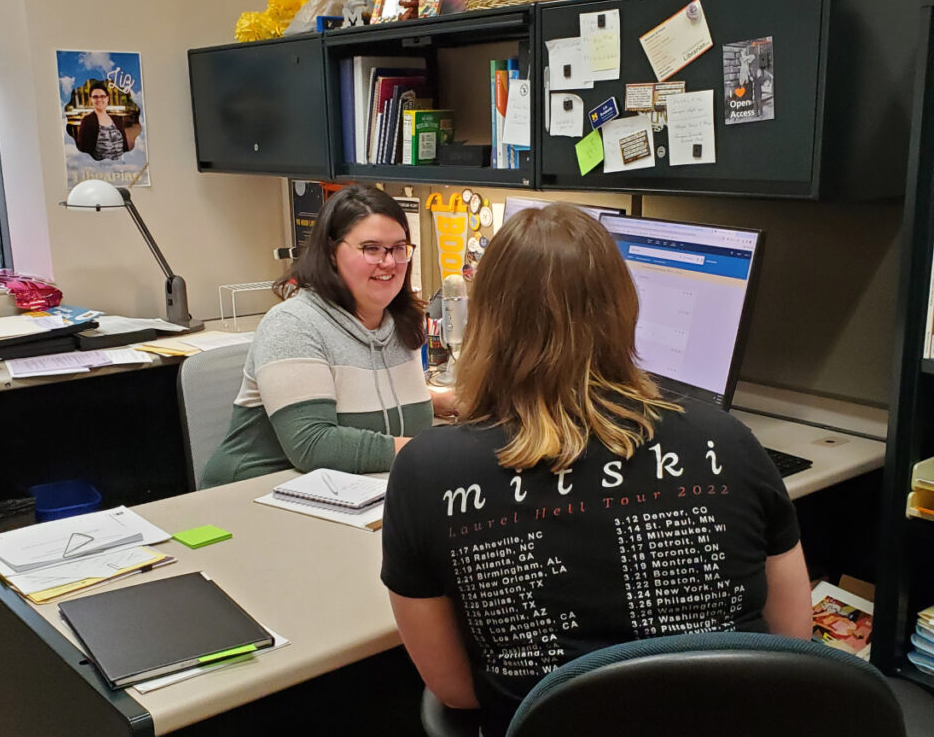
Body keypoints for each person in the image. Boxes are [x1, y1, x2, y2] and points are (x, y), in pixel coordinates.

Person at [381, 203, 813, 737]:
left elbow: (457, 692)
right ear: (625, 307)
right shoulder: (731, 442)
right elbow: (791, 642)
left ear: (487, 320)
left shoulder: (426, 471)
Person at [202, 185, 454, 487]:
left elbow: (360, 398)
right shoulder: (293, 324)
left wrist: (436, 402)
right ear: (332, 253)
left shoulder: (399, 320)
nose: (389, 262)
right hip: (257, 494)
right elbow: (313, 443)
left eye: (399, 248)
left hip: (359, 493)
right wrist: (435, 452)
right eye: (371, 248)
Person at [75, 83, 133, 161]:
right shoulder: (87, 121)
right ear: (91, 99)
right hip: (101, 170)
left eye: (102, 96)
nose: (99, 99)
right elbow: (84, 151)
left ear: (107, 98)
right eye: (95, 97)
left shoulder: (116, 119)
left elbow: (125, 146)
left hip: (122, 167)